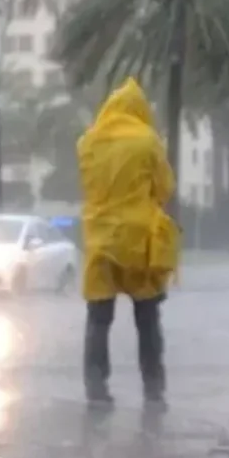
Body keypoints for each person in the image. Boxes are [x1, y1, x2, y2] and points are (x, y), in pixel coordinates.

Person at [77, 77, 180, 408]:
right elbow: (165, 188)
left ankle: (96, 389)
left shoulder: (88, 141)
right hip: (139, 241)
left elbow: (89, 184)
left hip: (100, 241)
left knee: (98, 318)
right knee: (147, 318)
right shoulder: (147, 140)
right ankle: (154, 390)